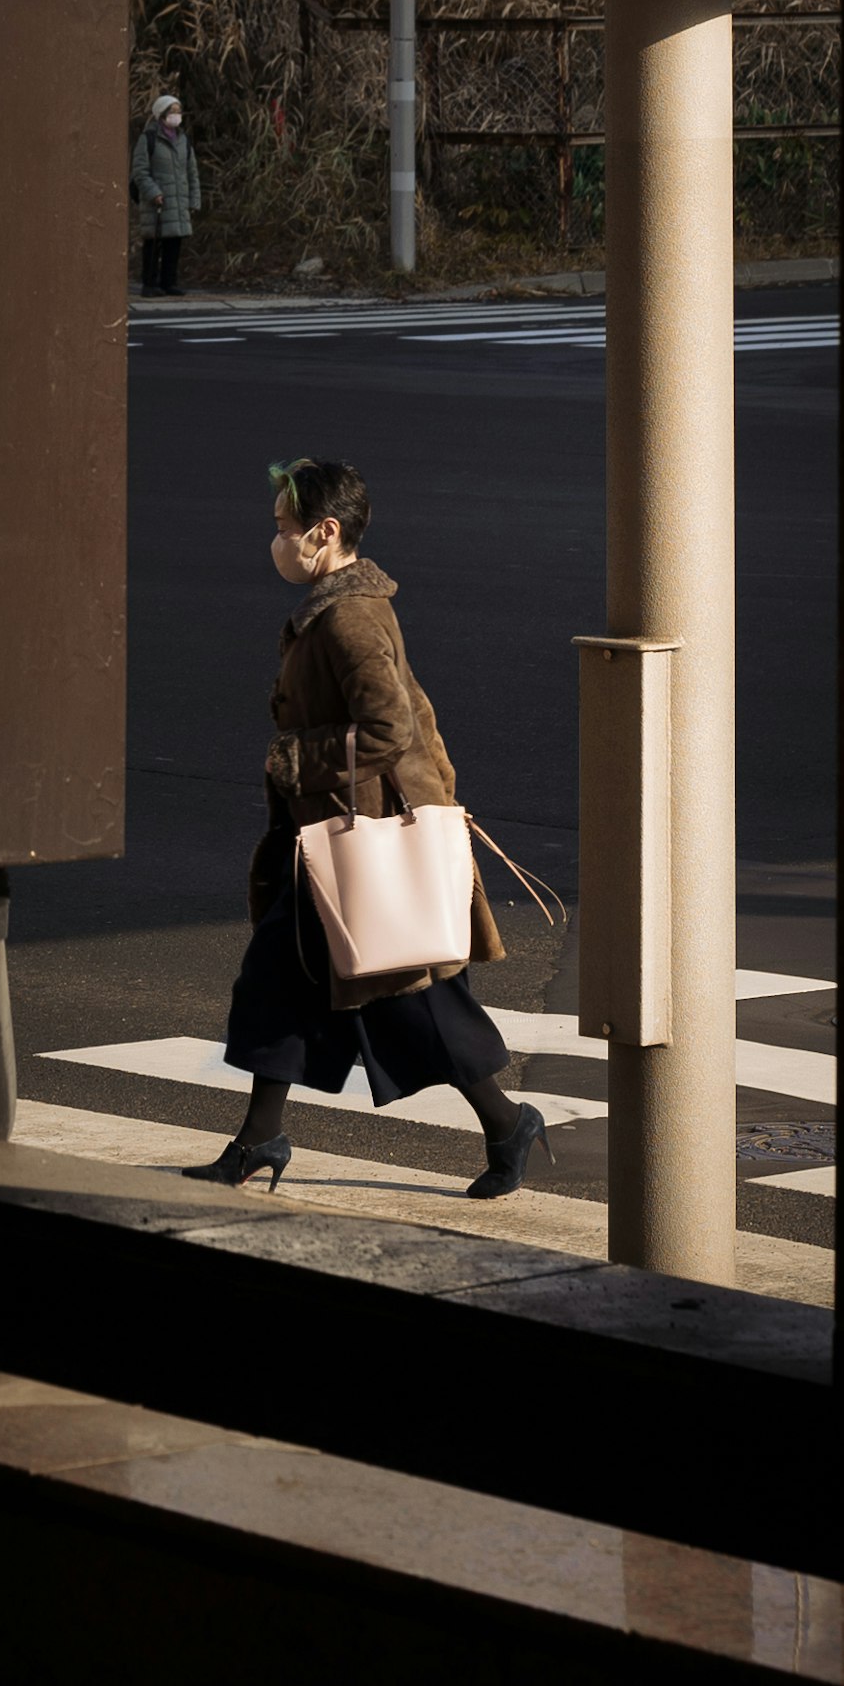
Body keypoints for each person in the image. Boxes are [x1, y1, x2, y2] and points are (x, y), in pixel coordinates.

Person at [192, 452, 549, 1202]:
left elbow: (386, 727)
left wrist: (296, 759)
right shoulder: (334, 607)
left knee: (412, 1000)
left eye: (285, 527)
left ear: (324, 533)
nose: (277, 540)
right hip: (329, 842)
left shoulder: (348, 615)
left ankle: (507, 1121)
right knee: (280, 986)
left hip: (361, 847)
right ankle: (260, 1139)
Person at [131, 90, 200, 299]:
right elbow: (140, 171)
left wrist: (194, 200)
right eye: (173, 111)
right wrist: (154, 193)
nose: (177, 116)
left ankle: (169, 282)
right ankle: (149, 283)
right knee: (153, 243)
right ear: (161, 114)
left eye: (179, 112)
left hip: (178, 200)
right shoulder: (149, 139)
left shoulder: (183, 141)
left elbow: (192, 172)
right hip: (157, 202)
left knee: (174, 243)